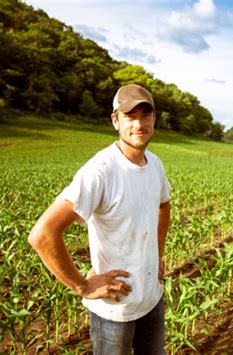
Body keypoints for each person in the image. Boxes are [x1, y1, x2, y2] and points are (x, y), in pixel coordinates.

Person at [29, 84, 171, 354]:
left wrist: (158, 253)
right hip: (115, 307)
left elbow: (164, 205)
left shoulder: (155, 164)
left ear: (154, 117)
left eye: (145, 114)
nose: (139, 123)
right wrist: (82, 285)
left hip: (152, 297)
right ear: (115, 120)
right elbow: (42, 234)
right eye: (130, 116)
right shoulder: (100, 171)